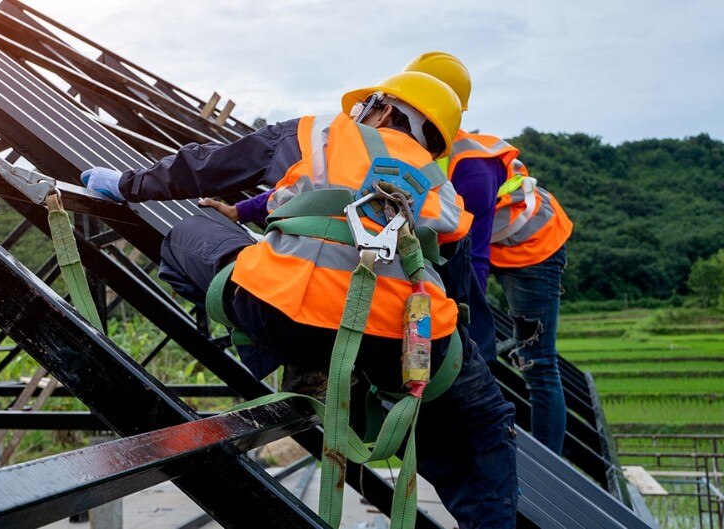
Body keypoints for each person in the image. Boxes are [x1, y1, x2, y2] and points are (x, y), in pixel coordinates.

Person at [82, 71, 518, 527]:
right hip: (405, 341)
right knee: (483, 426)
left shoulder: (320, 130)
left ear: (385, 108)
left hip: (283, 312)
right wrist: (464, 374)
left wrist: (128, 184)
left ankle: (307, 361)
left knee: (190, 234)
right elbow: (463, 288)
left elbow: (209, 166)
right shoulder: (441, 187)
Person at [405, 52, 575, 455]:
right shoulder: (425, 151)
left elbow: (473, 256)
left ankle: (549, 461)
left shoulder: (472, 165)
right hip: (497, 243)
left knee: (537, 362)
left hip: (532, 249)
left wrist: (463, 321)